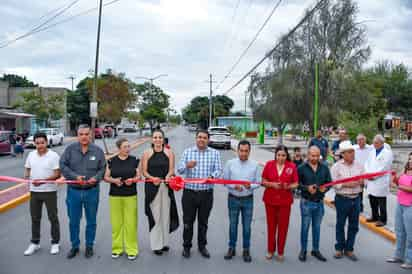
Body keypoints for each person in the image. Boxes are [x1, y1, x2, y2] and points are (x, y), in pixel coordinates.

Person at [60, 124, 106, 259]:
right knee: (73, 221)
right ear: (77, 135)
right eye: (81, 134)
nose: (84, 137)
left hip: (91, 191)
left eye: (87, 134)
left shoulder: (98, 151)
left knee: (91, 221)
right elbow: (62, 165)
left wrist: (96, 178)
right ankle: (74, 246)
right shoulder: (70, 150)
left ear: (91, 135)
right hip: (73, 192)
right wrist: (75, 177)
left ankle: (89, 246)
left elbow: (103, 169)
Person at [177, 129, 222, 259]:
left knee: (203, 222)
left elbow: (219, 170)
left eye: (204, 137)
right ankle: (186, 247)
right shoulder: (187, 152)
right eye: (199, 137)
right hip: (189, 193)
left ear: (208, 139)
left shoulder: (214, 153)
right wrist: (187, 165)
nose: (201, 139)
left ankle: (202, 246)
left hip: (206, 194)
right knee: (188, 222)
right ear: (196, 139)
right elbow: (179, 170)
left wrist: (212, 176)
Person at [141, 129, 179, 255]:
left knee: (165, 215)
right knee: (155, 216)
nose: (157, 140)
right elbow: (144, 171)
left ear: (163, 139)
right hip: (152, 187)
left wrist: (168, 176)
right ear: (152, 139)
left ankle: (164, 243)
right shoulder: (146, 153)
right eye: (155, 137)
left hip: (166, 187)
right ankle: (156, 245)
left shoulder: (169, 153)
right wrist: (152, 178)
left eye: (160, 137)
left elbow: (172, 170)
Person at [23, 132, 61, 256]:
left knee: (53, 218)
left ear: (46, 142)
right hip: (34, 191)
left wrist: (43, 181)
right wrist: (27, 176)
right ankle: (35, 243)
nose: (40, 145)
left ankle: (55, 242)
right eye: (37, 143)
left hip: (49, 191)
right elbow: (28, 168)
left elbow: (57, 174)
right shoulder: (31, 155)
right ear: (35, 143)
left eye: (42, 143)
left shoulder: (54, 156)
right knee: (35, 218)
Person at [223, 140, 260, 263]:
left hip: (247, 199)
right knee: (233, 225)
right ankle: (231, 248)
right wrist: (234, 186)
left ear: (249, 151)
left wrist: (251, 186)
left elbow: (258, 182)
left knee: (247, 227)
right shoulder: (230, 163)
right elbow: (225, 181)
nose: (243, 153)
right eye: (241, 151)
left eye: (246, 151)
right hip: (233, 198)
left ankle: (246, 249)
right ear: (237, 150)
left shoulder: (255, 165)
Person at [104, 138, 140, 260]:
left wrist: (133, 180)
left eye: (129, 146)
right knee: (116, 224)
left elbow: (138, 176)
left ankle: (131, 249)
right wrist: (114, 181)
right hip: (115, 195)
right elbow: (106, 177)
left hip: (130, 195)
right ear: (119, 148)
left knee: (131, 224)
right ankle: (117, 249)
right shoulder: (111, 161)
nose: (128, 149)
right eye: (125, 147)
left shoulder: (134, 160)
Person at [262, 145, 298, 261]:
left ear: (286, 156)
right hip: (270, 200)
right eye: (279, 155)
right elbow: (263, 181)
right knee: (271, 226)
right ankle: (270, 250)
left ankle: (281, 251)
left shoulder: (291, 166)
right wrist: (272, 184)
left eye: (283, 155)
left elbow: (296, 183)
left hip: (285, 201)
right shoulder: (269, 164)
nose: (281, 157)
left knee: (283, 227)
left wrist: (289, 186)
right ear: (275, 155)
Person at [331, 141, 364, 261]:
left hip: (356, 199)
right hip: (342, 199)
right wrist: (347, 184)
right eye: (349, 152)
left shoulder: (359, 166)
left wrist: (358, 182)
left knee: (354, 226)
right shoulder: (336, 167)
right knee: (340, 224)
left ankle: (349, 249)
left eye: (353, 152)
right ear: (343, 154)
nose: (352, 154)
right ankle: (339, 248)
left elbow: (362, 181)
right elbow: (335, 184)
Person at [298, 146, 331, 262]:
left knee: (317, 228)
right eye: (313, 155)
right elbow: (296, 184)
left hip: (319, 203)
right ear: (308, 155)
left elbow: (329, 183)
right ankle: (303, 250)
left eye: (317, 155)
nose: (315, 158)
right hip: (306, 202)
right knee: (305, 228)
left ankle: (315, 250)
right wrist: (307, 188)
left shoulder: (325, 168)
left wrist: (325, 189)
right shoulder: (301, 168)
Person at [387, 153, 412, 269]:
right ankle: (398, 256)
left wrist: (398, 187)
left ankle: (409, 260)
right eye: (410, 158)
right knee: (400, 231)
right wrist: (394, 178)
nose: (411, 161)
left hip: (410, 206)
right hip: (400, 204)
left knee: (410, 234)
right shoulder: (404, 170)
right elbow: (398, 182)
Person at [365, 134, 393, 227]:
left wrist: (374, 176)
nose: (374, 144)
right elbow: (367, 163)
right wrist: (368, 174)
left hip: (381, 181)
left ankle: (383, 219)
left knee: (381, 201)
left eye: (376, 143)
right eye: (374, 143)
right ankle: (374, 216)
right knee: (372, 199)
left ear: (381, 143)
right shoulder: (372, 152)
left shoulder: (387, 153)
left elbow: (384, 167)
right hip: (371, 180)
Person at [353, 134, 373, 212]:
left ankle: (373, 211)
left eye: (362, 139)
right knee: (359, 192)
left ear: (365, 140)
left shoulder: (370, 148)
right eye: (358, 140)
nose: (360, 141)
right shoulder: (354, 148)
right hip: (358, 173)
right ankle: (360, 207)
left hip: (368, 173)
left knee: (371, 193)